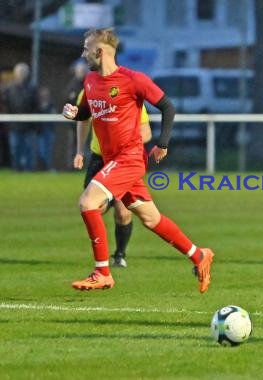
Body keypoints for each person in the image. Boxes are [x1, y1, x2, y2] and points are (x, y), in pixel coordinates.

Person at [62, 28, 214, 292]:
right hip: (112, 159)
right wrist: (74, 113)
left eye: (86, 49)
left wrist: (162, 143)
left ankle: (102, 272)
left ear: (100, 52)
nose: (83, 54)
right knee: (151, 219)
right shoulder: (89, 81)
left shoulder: (133, 80)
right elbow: (86, 111)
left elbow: (167, 106)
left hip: (130, 158)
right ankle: (199, 255)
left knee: (88, 203)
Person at [73, 88, 152, 268]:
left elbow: (146, 132)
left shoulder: (129, 93)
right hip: (99, 158)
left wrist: (126, 144)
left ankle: (119, 255)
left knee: (123, 212)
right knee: (94, 207)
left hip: (123, 160)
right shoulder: (89, 90)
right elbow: (83, 120)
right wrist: (79, 151)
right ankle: (101, 261)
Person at [2, 62, 39, 171]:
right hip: (14, 126)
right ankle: (16, 169)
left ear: (27, 74)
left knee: (29, 150)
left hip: (29, 126)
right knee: (15, 149)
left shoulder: (32, 89)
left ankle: (29, 170)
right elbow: (6, 105)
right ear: (15, 74)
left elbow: (36, 106)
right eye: (19, 72)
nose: (21, 74)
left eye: (23, 72)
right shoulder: (9, 89)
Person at [36, 86, 56, 171]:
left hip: (49, 131)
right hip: (40, 132)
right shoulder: (38, 105)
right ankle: (44, 167)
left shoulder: (51, 105)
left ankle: (48, 168)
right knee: (42, 151)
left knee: (49, 151)